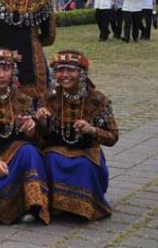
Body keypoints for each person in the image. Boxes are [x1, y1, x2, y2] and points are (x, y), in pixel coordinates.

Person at [35, 51, 118, 221]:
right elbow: (43, 136)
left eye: (71, 70)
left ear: (82, 73)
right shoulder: (49, 97)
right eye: (60, 70)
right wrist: (41, 122)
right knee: (51, 158)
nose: (65, 75)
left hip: (87, 151)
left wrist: (92, 130)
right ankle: (56, 205)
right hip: (56, 149)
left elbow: (113, 136)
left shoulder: (98, 99)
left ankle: (83, 207)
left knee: (83, 164)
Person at [0, 49, 50, 224]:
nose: (1, 75)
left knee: (29, 150)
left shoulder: (24, 101)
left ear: (13, 71)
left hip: (15, 160)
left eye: (6, 69)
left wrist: (31, 131)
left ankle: (34, 207)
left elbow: (38, 143)